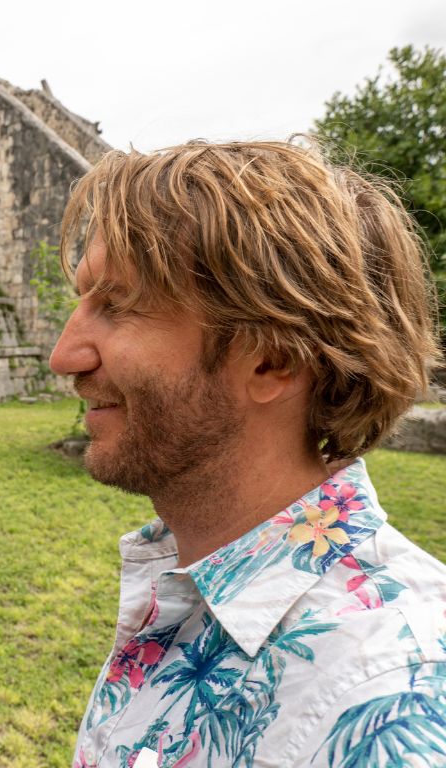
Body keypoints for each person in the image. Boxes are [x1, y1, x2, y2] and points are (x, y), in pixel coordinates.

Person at [49, 141, 446, 767]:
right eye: (83, 301)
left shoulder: (390, 697)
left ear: (273, 359)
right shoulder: (188, 583)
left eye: (118, 306)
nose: (64, 356)